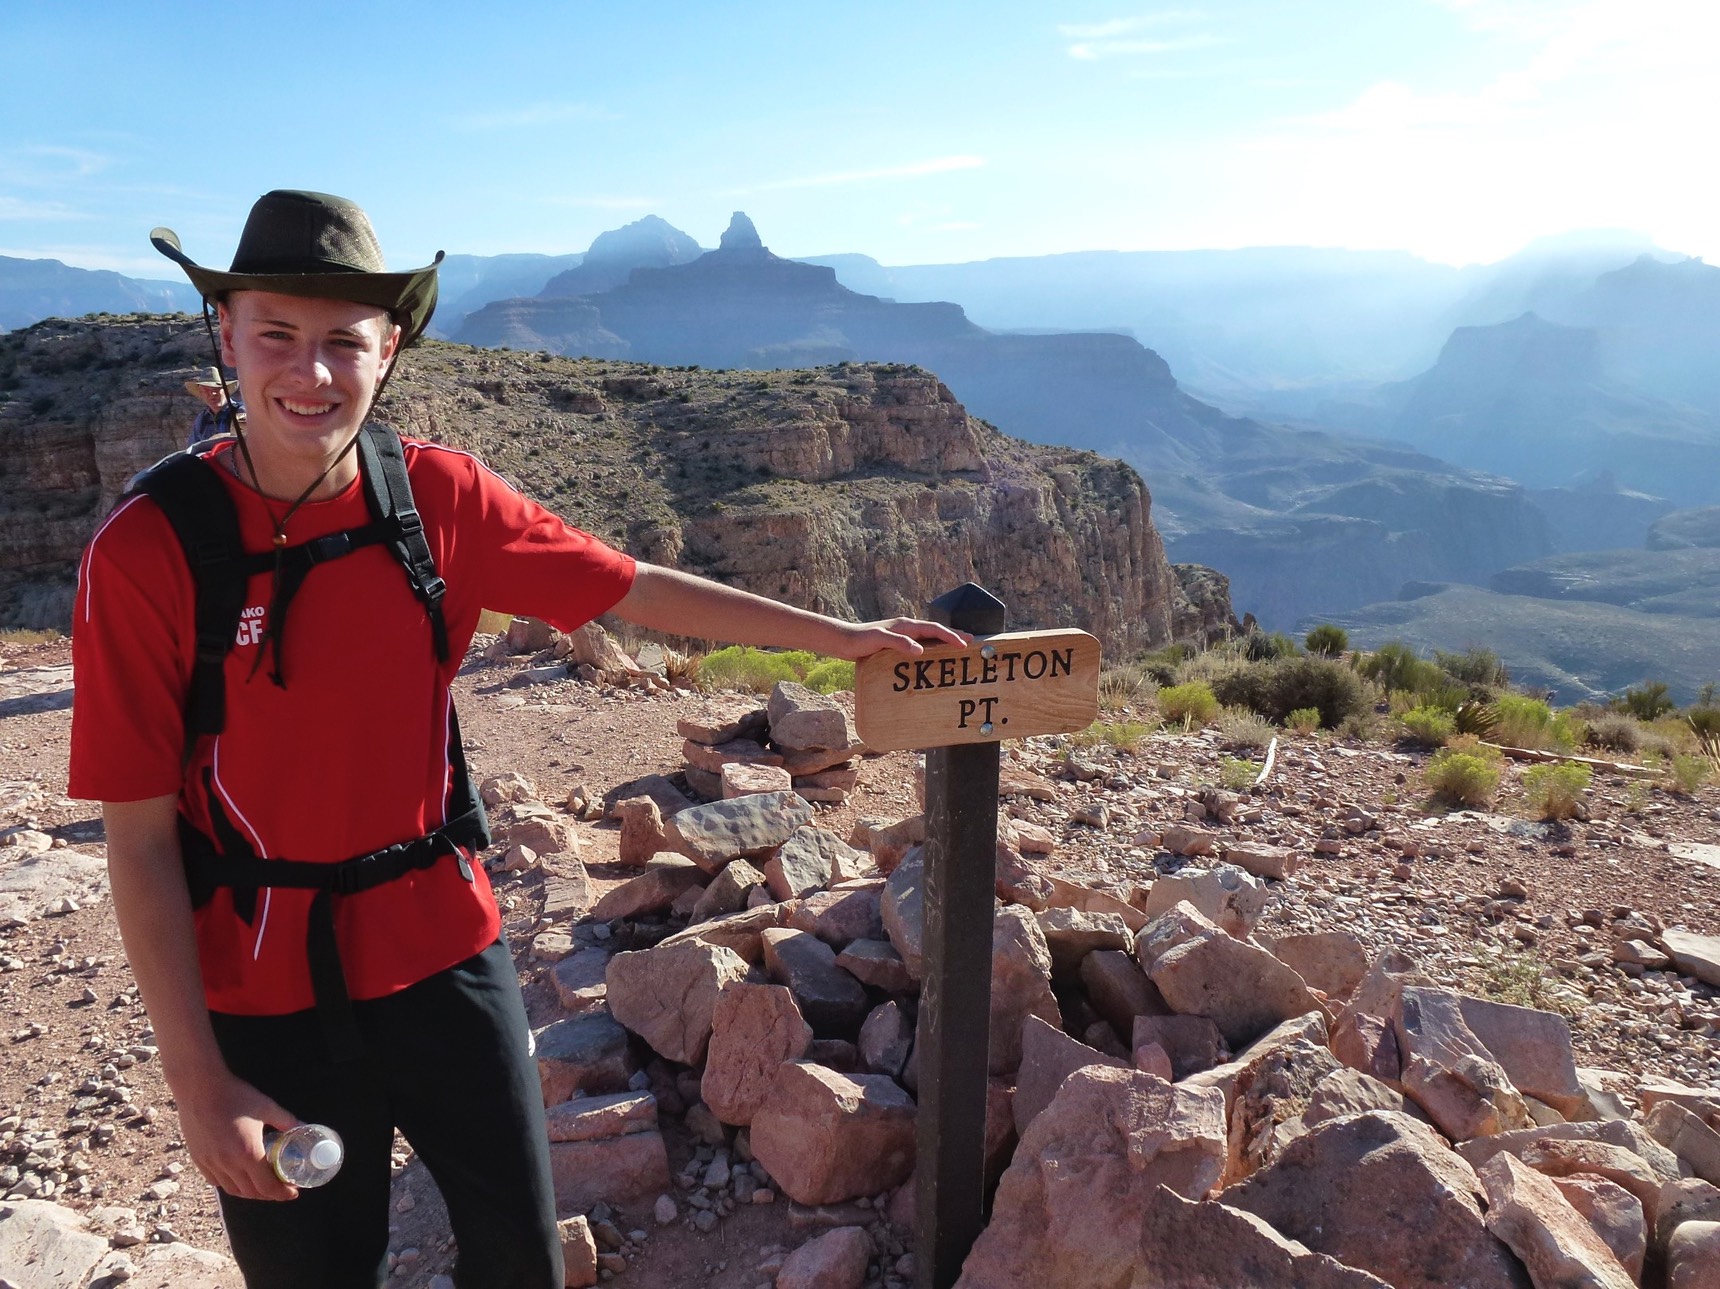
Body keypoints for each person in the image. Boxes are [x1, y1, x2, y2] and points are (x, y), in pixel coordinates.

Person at [69, 189, 965, 1289]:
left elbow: (632, 587)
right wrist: (198, 1084)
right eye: (277, 335)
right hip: (264, 988)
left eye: (344, 341)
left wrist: (842, 637)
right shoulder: (149, 551)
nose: (311, 372)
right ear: (226, 333)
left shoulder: (437, 499)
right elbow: (139, 838)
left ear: (389, 348)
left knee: (520, 1256)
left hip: (443, 949)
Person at [184, 366, 241, 448]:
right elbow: (193, 448)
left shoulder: (240, 412)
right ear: (201, 394)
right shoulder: (201, 419)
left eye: (216, 389)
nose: (213, 394)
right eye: (206, 390)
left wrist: (219, 438)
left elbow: (247, 437)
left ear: (226, 390)